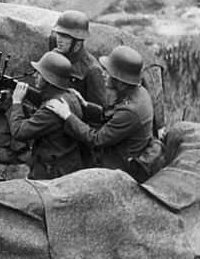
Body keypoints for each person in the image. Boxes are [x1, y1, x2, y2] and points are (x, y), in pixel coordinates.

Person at [44, 45, 164, 182]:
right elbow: (110, 115)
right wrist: (85, 104)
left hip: (122, 168)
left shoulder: (130, 110)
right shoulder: (137, 93)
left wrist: (67, 115)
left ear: (121, 82)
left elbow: (96, 140)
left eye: (108, 72)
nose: (103, 74)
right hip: (123, 152)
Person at [7, 51, 85, 179]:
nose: (35, 76)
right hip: (67, 167)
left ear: (49, 78)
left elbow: (19, 132)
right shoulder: (70, 96)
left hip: (52, 174)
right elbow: (43, 99)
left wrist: (17, 102)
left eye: (39, 73)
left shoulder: (52, 109)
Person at [48, 10, 109, 110]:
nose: (59, 39)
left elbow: (99, 112)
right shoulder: (56, 53)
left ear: (78, 42)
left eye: (65, 36)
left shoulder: (92, 70)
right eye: (59, 34)